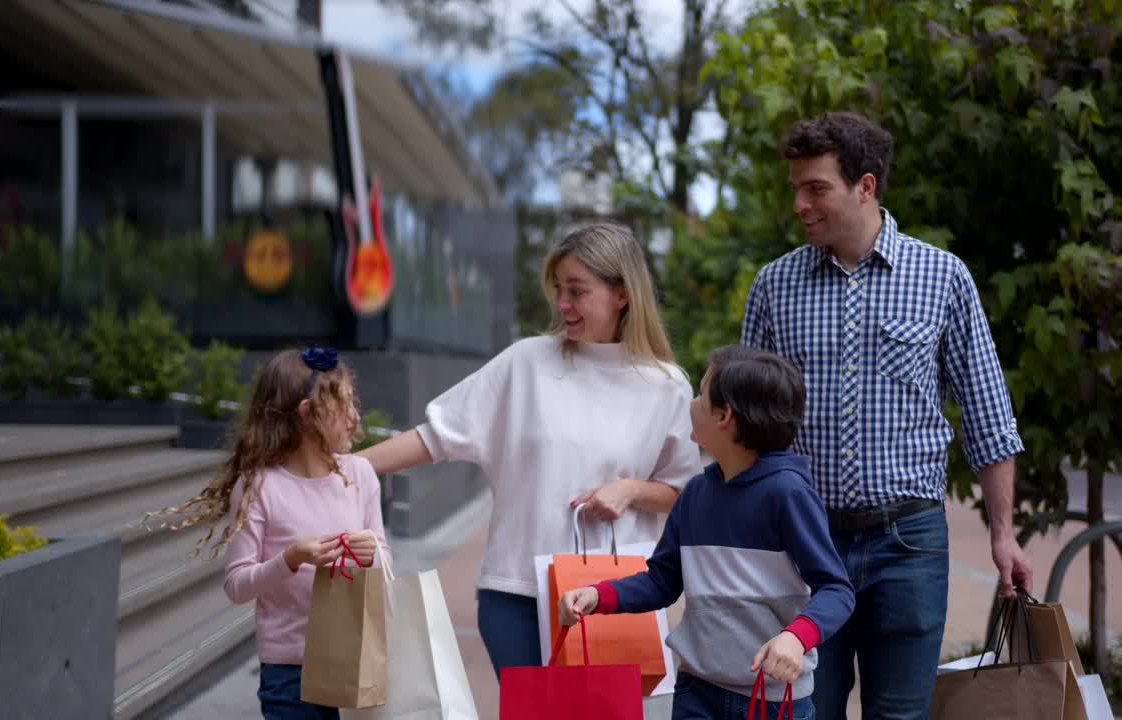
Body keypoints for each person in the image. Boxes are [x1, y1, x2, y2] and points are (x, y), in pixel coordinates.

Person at [740, 110, 1033, 719]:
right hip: (803, 542)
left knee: (899, 715)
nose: (799, 203)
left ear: (865, 185)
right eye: (795, 187)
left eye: (815, 187)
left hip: (908, 544)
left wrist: (1003, 535)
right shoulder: (773, 287)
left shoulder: (943, 277)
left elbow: (988, 416)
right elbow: (748, 428)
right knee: (801, 711)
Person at [358, 223, 700, 677]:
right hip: (514, 592)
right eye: (558, 290)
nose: (562, 305)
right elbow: (434, 436)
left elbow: (685, 494)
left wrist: (631, 489)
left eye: (577, 291)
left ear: (622, 293)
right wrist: (343, 468)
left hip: (613, 598)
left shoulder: (666, 386)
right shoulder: (527, 362)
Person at [559, 344, 855, 720]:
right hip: (697, 692)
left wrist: (796, 637)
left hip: (773, 698)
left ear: (724, 416)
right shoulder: (695, 494)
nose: (693, 403)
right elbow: (663, 581)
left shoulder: (788, 494)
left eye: (700, 394)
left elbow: (836, 589)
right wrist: (598, 595)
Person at [149, 347, 386, 719]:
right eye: (342, 408)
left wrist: (372, 552)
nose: (355, 419)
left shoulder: (361, 474)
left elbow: (386, 562)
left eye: (354, 404)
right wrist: (289, 559)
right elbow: (237, 585)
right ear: (307, 414)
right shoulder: (259, 486)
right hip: (291, 674)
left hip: (356, 661)